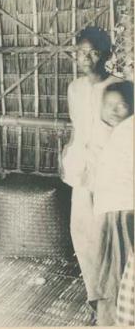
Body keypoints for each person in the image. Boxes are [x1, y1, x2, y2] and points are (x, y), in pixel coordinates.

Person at [60, 27, 122, 321]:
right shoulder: (74, 88)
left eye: (93, 51)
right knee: (81, 232)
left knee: (108, 236)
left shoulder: (123, 87)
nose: (86, 58)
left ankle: (113, 301)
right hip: (81, 170)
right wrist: (68, 154)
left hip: (111, 174)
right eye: (81, 52)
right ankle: (95, 295)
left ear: (108, 55)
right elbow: (78, 128)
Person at [93, 82, 134, 325]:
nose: (115, 110)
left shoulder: (128, 130)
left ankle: (116, 318)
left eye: (122, 105)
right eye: (109, 105)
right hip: (117, 207)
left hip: (125, 210)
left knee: (120, 268)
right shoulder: (120, 131)